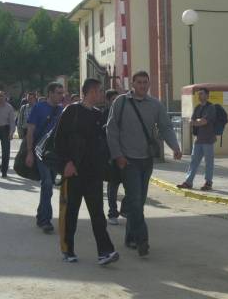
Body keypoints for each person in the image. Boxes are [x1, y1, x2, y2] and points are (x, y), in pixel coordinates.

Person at [106, 70, 182, 256]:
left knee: (137, 201)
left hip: (146, 160)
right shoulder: (121, 102)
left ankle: (130, 237)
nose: (142, 85)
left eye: (145, 82)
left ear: (149, 84)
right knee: (135, 198)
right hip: (127, 160)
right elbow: (111, 129)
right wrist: (118, 155)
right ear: (133, 84)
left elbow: (165, 127)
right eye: (139, 82)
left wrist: (175, 147)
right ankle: (142, 239)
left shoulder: (155, 105)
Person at [56, 79, 120, 265]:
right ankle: (68, 250)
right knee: (71, 213)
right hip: (73, 172)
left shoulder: (99, 115)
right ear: (91, 92)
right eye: (99, 91)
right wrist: (66, 163)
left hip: (93, 174)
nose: (101, 94)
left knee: (98, 215)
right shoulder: (71, 111)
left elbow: (102, 142)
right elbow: (59, 141)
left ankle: (104, 252)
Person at [26, 82, 65, 234]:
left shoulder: (62, 110)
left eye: (62, 93)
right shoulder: (38, 107)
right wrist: (29, 152)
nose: (61, 96)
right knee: (47, 183)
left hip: (55, 154)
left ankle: (41, 214)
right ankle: (45, 220)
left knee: (48, 187)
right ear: (50, 93)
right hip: (39, 152)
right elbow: (30, 130)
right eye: (58, 93)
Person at [177, 87, 217, 191]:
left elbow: (203, 121)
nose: (199, 96)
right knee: (193, 162)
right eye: (199, 94)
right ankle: (188, 182)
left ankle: (208, 183)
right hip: (198, 139)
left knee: (209, 162)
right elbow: (192, 120)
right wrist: (196, 121)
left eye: (202, 94)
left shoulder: (211, 107)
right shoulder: (197, 107)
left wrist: (196, 121)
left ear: (207, 96)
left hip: (208, 139)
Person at [102, 89, 123, 225]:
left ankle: (127, 210)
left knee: (131, 186)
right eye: (114, 100)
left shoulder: (125, 113)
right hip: (111, 156)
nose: (116, 102)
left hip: (127, 154)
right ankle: (112, 212)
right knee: (113, 186)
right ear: (108, 101)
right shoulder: (103, 115)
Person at [0, 91, 17, 177]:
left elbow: (12, 121)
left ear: (5, 97)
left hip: (5, 129)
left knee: (5, 151)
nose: (0, 98)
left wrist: (11, 132)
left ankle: (4, 170)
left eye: (2, 96)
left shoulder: (9, 107)